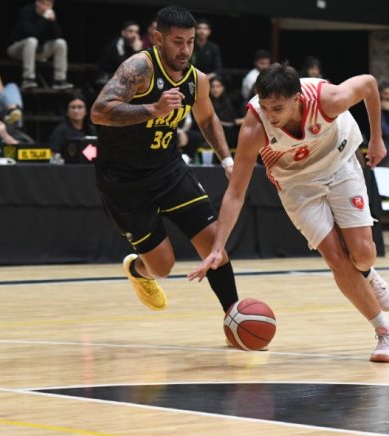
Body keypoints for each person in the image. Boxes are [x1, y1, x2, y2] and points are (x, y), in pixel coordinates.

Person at [188, 63, 389, 363]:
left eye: (277, 108)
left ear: (297, 99)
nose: (270, 115)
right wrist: (217, 248)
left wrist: (376, 138)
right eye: (265, 107)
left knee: (363, 254)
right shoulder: (255, 126)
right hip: (297, 184)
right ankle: (385, 333)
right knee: (335, 258)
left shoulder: (328, 99)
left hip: (339, 163)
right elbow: (235, 193)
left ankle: (367, 271)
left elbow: (368, 84)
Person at [90, 6, 239, 319]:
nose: (185, 50)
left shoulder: (196, 80)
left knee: (214, 244)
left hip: (168, 170)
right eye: (177, 42)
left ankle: (234, 317)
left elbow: (207, 118)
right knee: (162, 267)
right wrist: (152, 110)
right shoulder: (139, 68)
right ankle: (137, 270)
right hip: (124, 181)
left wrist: (227, 160)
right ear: (158, 38)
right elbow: (99, 111)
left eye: (190, 42)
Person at [7, 0, 73, 90]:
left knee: (61, 43)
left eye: (48, 4)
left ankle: (59, 80)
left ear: (52, 6)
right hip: (17, 49)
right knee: (32, 41)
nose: (44, 7)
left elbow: (58, 35)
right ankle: (28, 79)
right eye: (42, 3)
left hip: (38, 51)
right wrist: (44, 19)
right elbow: (32, 33)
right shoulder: (27, 11)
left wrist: (53, 21)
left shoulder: (49, 15)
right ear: (37, 2)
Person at [48, 93, 97, 162]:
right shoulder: (60, 131)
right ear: (67, 111)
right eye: (73, 107)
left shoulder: (91, 129)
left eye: (80, 107)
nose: (76, 111)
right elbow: (54, 154)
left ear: (86, 111)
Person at [95, 20, 143, 89]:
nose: (134, 35)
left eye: (136, 32)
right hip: (105, 78)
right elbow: (126, 67)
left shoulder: (134, 45)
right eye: (130, 31)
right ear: (123, 33)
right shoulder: (118, 44)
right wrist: (136, 51)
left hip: (119, 77)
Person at [210, 75, 243, 147]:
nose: (215, 89)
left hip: (231, 130)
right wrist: (233, 123)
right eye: (212, 86)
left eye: (218, 86)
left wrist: (237, 122)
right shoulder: (208, 102)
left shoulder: (229, 100)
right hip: (217, 131)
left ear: (223, 87)